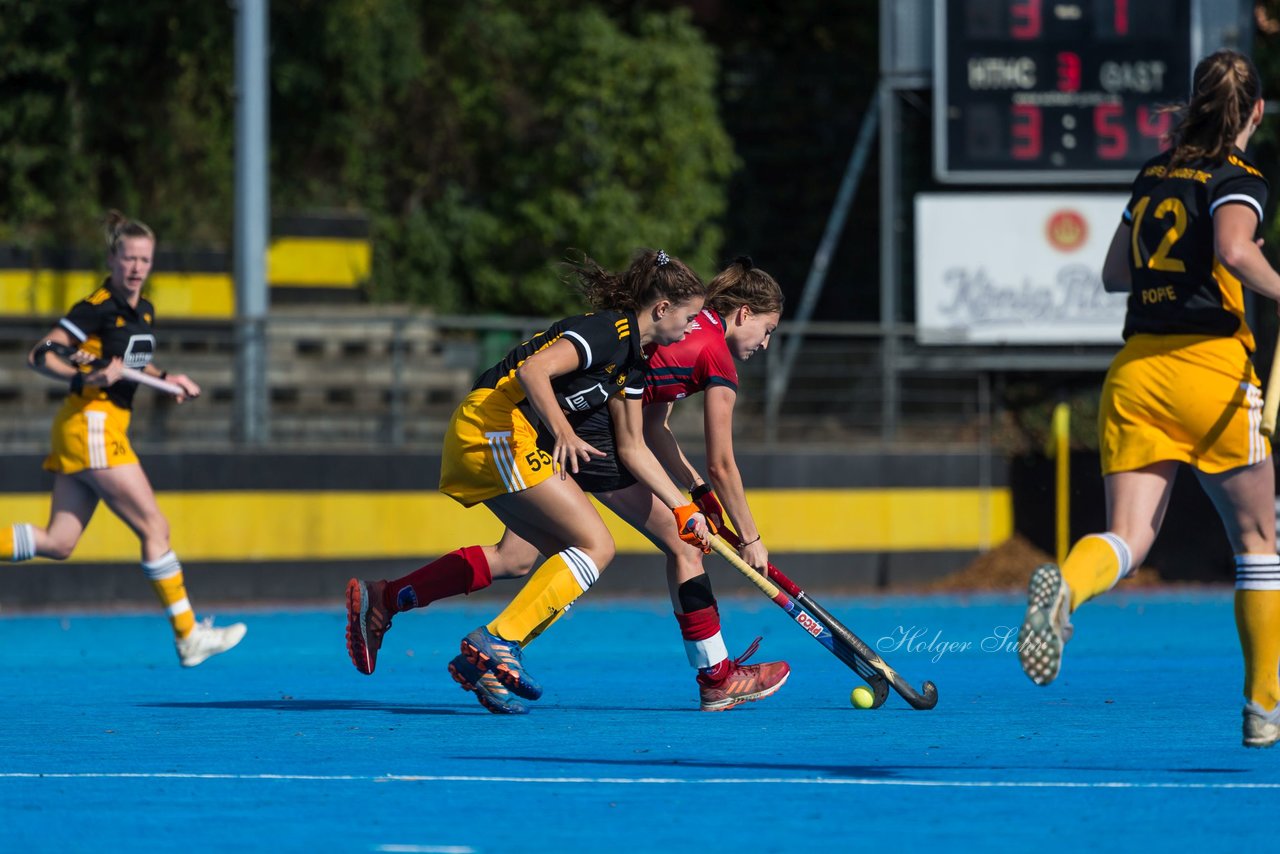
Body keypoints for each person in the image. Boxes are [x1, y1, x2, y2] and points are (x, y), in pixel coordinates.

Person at [346, 258, 790, 712]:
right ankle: (499, 641)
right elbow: (533, 371)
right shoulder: (609, 332)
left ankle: (391, 600)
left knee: (523, 558)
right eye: (691, 317)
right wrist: (564, 431)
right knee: (597, 547)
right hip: (495, 427)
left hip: (521, 436)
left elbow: (637, 445)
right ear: (661, 309)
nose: (696, 327)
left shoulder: (633, 364)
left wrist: (685, 505)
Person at [1017, 50, 1280, 748]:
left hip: (1136, 372)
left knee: (1129, 538)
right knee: (1258, 542)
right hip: (1212, 370)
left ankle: (1069, 588)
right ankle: (1263, 708)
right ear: (1255, 113)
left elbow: (1113, 272)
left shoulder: (1155, 173)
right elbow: (1233, 249)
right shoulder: (1240, 177)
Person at [1, 211, 246, 667]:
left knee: (59, 542)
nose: (136, 267)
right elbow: (41, 355)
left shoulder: (143, 311)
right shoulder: (97, 306)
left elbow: (132, 364)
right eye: (128, 258)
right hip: (92, 422)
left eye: (144, 259)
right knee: (155, 528)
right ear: (113, 259)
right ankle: (188, 635)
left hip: (95, 426)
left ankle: (189, 635)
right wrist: (89, 371)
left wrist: (170, 378)